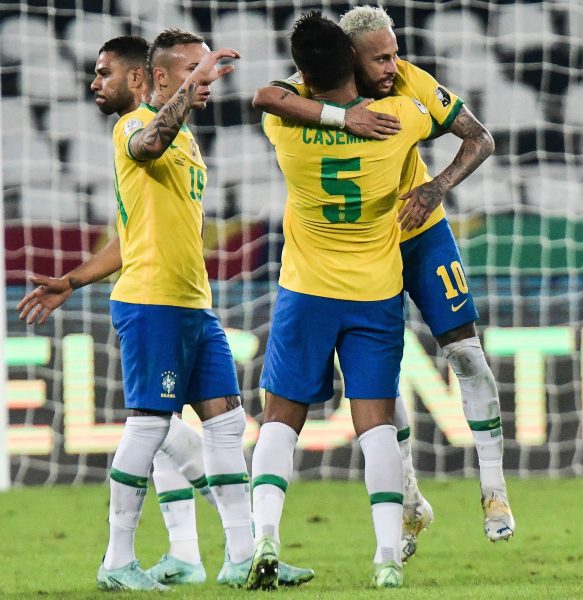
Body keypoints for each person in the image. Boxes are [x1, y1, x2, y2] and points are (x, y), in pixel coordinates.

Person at [18, 31, 313, 591]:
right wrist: (192, 86)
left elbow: (130, 236)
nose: (92, 82)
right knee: (150, 425)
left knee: (227, 426)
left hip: (194, 306)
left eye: (101, 72)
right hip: (151, 304)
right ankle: (116, 561)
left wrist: (73, 279)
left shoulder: (189, 143)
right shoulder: (134, 126)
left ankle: (242, 557)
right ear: (152, 79)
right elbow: (150, 141)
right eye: (193, 71)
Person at [253, 4, 514, 558]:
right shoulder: (304, 91)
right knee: (378, 379)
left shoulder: (410, 82)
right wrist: (342, 118)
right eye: (382, 57)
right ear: (349, 59)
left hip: (421, 229)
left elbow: (480, 137)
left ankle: (494, 490)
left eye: (395, 52)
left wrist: (435, 187)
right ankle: (412, 501)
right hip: (364, 249)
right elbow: (269, 94)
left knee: (467, 354)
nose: (394, 66)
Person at [247, 11, 438, 590]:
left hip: (305, 292)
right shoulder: (399, 119)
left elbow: (272, 95)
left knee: (279, 421)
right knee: (376, 426)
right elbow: (441, 116)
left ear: (306, 75)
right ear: (354, 62)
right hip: (374, 295)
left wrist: (326, 103)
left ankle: (265, 538)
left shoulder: (283, 130)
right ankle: (386, 559)